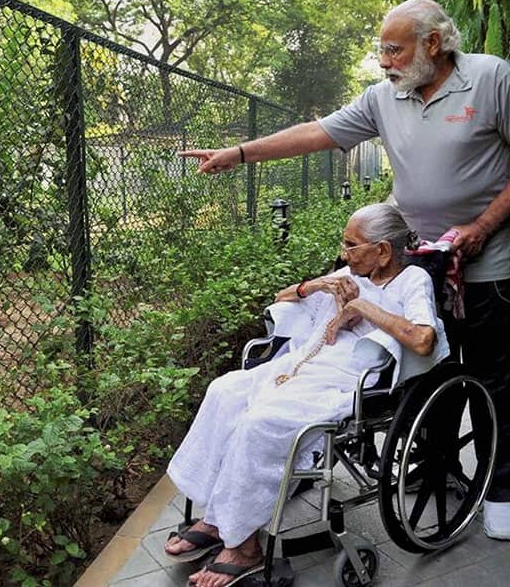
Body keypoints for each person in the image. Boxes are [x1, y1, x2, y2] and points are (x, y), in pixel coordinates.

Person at [180, 0, 510, 542]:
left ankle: (499, 491)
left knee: (495, 377)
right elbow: (317, 132)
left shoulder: (492, 79)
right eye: (381, 50)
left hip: (484, 263)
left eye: (393, 49)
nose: (384, 61)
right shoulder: (385, 98)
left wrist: (483, 226)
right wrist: (238, 154)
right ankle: (438, 468)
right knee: (424, 374)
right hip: (417, 266)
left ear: (433, 43)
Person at [165, 203, 449, 587]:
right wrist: (315, 285)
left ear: (383, 251)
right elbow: (283, 299)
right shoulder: (348, 272)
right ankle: (218, 519)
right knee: (224, 391)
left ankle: (245, 548)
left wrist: (363, 307)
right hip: (303, 362)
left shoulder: (412, 280)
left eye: (352, 245)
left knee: (258, 422)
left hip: (347, 377)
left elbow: (423, 339)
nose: (344, 253)